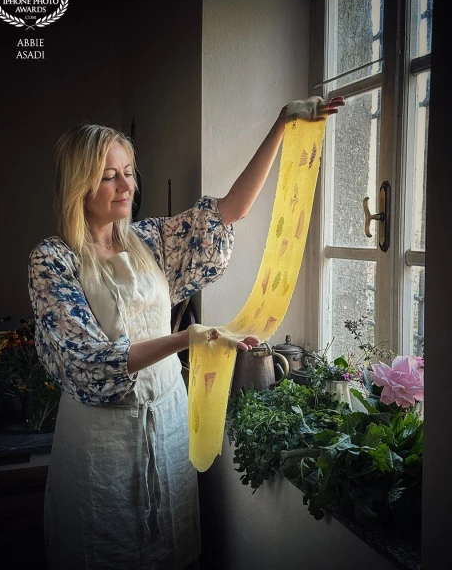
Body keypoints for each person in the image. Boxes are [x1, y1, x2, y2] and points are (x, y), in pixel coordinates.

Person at [27, 95, 344, 570]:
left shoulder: (150, 240)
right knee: (104, 551)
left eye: (129, 171)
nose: (125, 184)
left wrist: (282, 123)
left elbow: (229, 211)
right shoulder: (53, 261)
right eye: (109, 175)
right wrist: (185, 339)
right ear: (79, 184)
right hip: (101, 444)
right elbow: (85, 359)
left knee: (172, 551)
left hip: (170, 423)